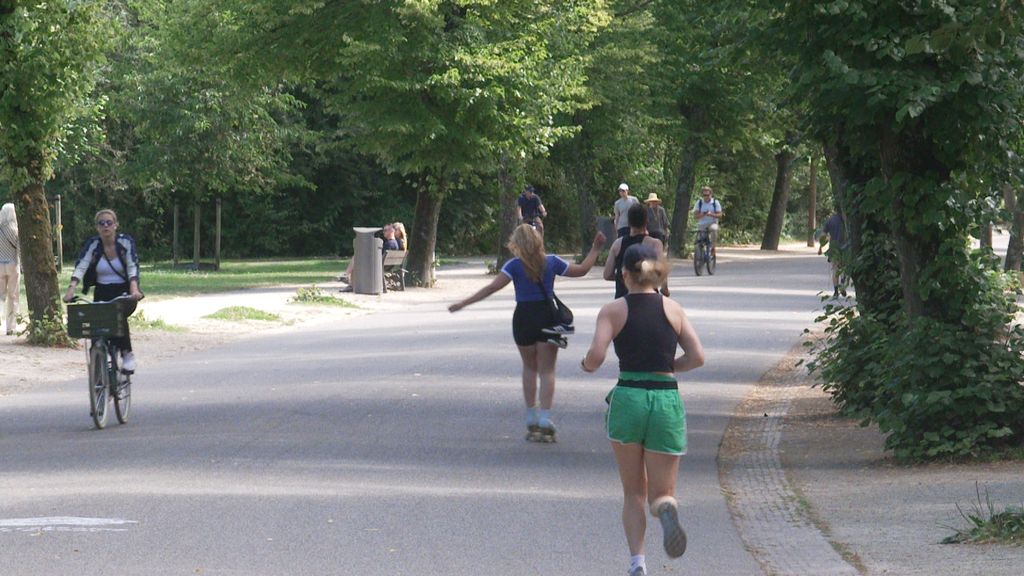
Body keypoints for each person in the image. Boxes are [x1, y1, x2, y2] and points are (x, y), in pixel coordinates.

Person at [581, 243, 704, 576]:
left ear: (624, 274)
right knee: (661, 493)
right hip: (665, 398)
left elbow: (595, 356)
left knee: (633, 491)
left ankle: (638, 564)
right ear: (657, 273)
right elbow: (697, 356)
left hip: (629, 398)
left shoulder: (613, 311)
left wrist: (586, 365)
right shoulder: (674, 309)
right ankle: (666, 509)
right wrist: (668, 367)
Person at [449, 224, 606, 441]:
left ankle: (531, 416)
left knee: (529, 367)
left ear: (516, 244)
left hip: (523, 317)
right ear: (538, 240)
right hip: (547, 317)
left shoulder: (513, 266)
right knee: (547, 370)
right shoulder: (551, 262)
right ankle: (545, 417)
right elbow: (582, 270)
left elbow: (491, 288)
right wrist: (595, 249)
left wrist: (463, 303)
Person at [63, 209, 144, 372]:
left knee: (118, 315)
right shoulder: (93, 245)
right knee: (96, 321)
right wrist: (71, 289)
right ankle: (98, 358)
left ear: (116, 225)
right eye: (102, 223)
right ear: (97, 227)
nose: (105, 226)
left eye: (109, 222)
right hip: (102, 291)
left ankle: (127, 354)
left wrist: (134, 290)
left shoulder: (125, 242)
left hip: (123, 291)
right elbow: (81, 265)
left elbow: (132, 266)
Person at [605, 204, 667, 298]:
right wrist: (665, 289)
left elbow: (607, 274)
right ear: (647, 221)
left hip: (623, 298)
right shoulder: (654, 244)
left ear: (629, 222)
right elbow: (661, 271)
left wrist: (625, 278)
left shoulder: (617, 244)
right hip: (648, 299)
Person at [817, 212, 848, 298]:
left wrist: (820, 247)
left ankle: (836, 292)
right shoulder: (846, 220)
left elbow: (823, 235)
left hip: (834, 247)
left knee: (835, 269)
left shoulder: (830, 220)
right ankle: (842, 283)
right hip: (845, 247)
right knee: (845, 267)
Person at [0, 203, 20, 336]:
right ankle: (10, 327)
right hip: (13, 265)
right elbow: (19, 249)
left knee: (0, 296)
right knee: (13, 296)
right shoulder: (15, 230)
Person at [692, 186, 722, 258]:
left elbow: (720, 215)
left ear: (711, 194)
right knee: (699, 241)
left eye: (707, 195)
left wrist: (711, 214)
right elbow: (695, 216)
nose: (706, 197)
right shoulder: (699, 203)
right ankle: (699, 257)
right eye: (704, 195)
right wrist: (702, 214)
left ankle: (713, 248)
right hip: (702, 224)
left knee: (714, 230)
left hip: (712, 223)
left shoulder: (715, 203)